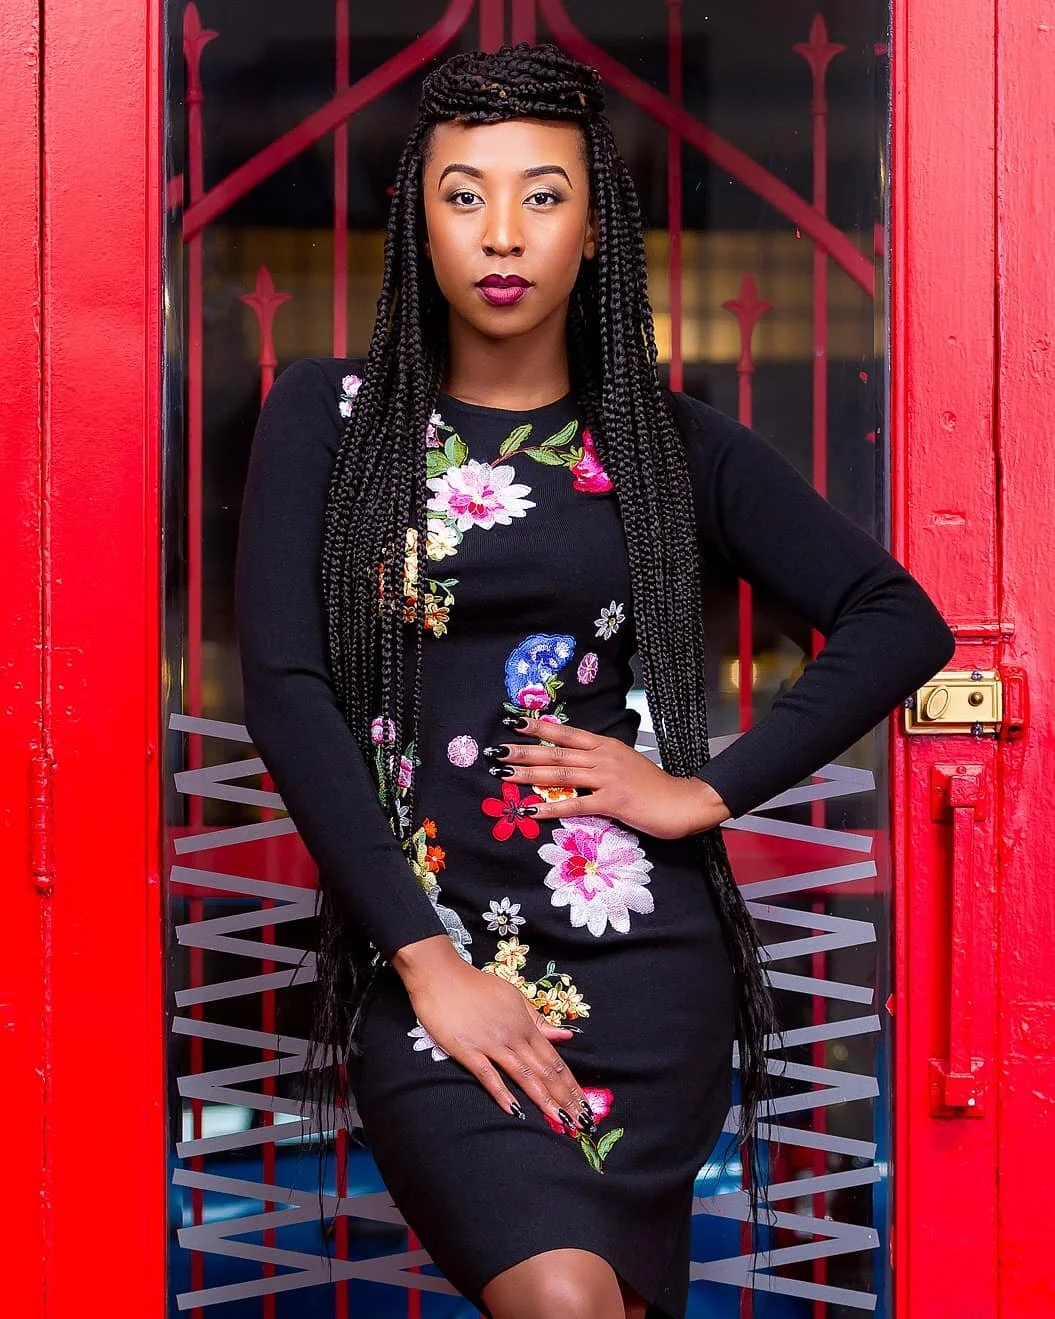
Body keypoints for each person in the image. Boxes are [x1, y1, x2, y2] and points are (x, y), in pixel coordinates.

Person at [234, 42, 955, 1319]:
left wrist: (700, 793)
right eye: (463, 195)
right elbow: (286, 689)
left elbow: (895, 619)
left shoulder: (671, 447)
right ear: (420, 220)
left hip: (639, 964)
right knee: (559, 1295)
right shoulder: (328, 416)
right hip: (434, 970)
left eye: (542, 194)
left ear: (591, 229)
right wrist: (427, 962)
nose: (500, 231)